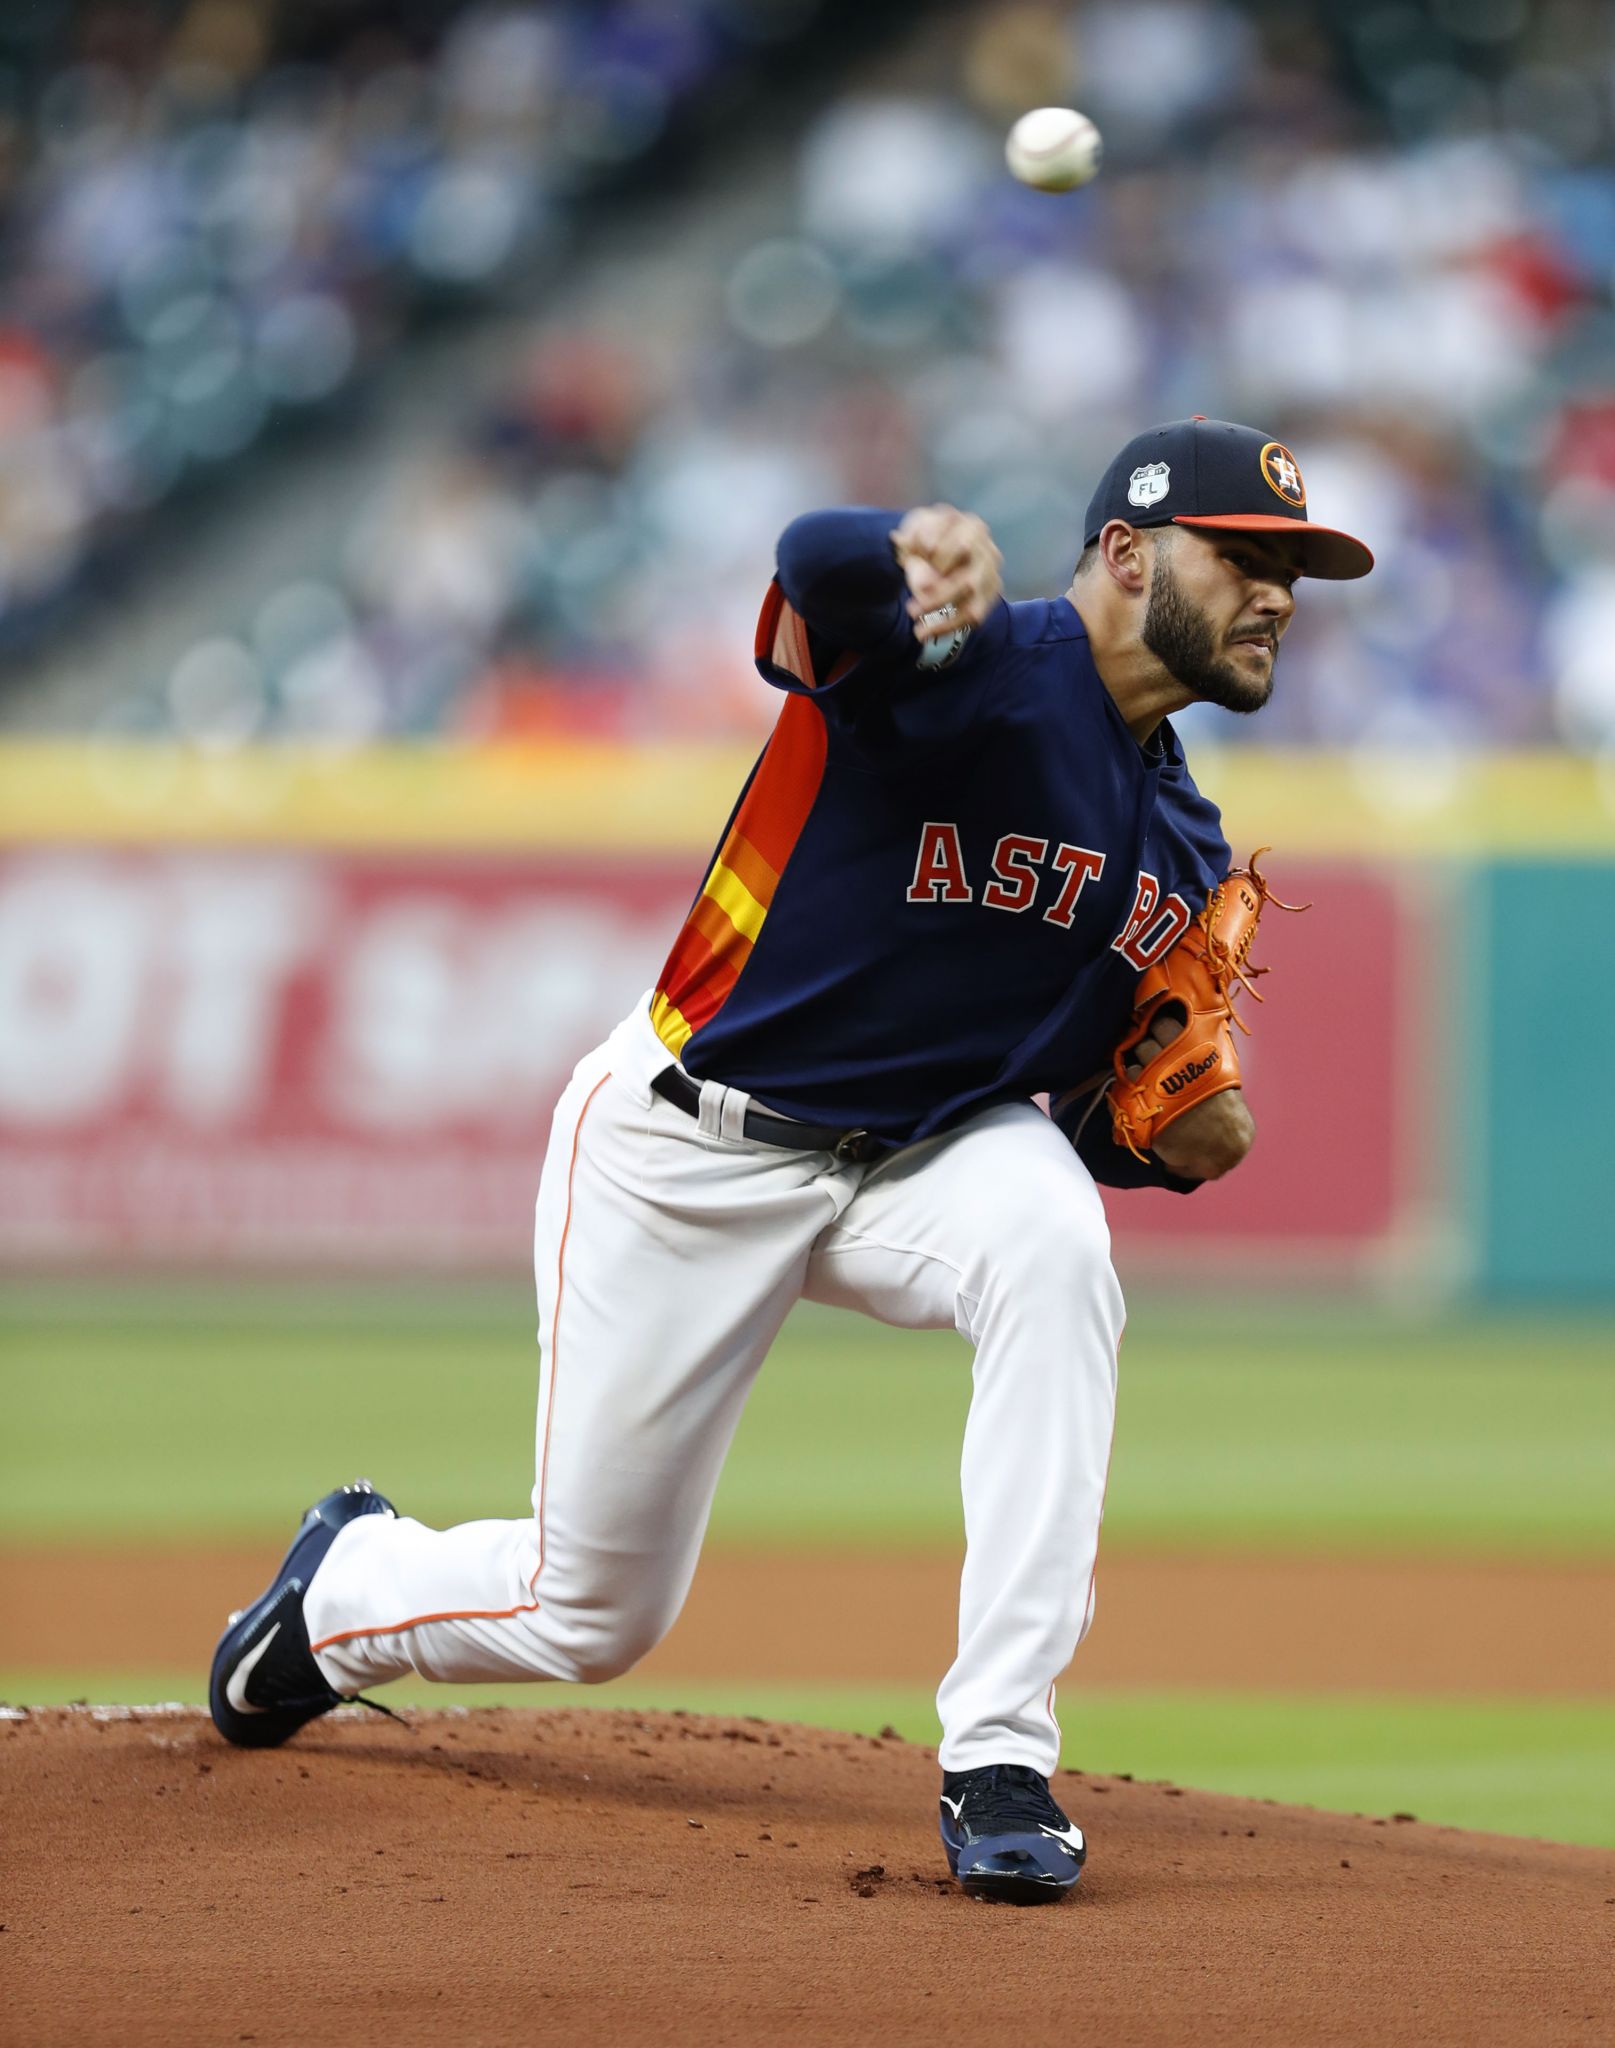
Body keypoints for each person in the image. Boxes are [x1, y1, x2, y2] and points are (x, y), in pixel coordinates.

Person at [210, 417, 1373, 1904]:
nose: (1283, 593)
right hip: (688, 1142)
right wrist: (905, 552)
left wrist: (1163, 1144)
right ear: (1127, 556)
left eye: (1300, 570)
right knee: (592, 1616)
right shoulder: (971, 658)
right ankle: (340, 1593)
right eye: (1250, 557)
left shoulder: (1185, 855)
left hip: (915, 1158)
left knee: (1055, 1243)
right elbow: (817, 571)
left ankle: (1000, 1754)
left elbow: (1082, 1093)